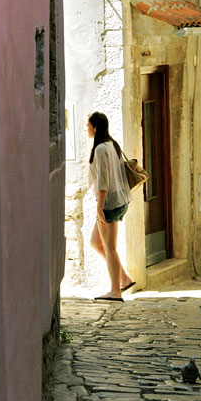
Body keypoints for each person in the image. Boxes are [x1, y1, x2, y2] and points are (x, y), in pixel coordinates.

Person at [86, 112, 135, 301]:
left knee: (110, 247)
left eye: (88, 125)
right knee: (96, 243)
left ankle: (116, 290)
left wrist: (99, 207)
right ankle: (124, 278)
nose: (86, 129)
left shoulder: (100, 149)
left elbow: (103, 181)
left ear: (96, 128)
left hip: (109, 203)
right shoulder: (111, 144)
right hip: (117, 200)